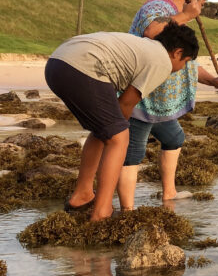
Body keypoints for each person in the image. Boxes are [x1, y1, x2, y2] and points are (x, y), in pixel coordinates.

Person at [45, 23, 199, 221]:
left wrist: (113, 128)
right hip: (84, 67)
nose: (183, 67)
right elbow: (126, 104)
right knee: (118, 137)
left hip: (57, 63)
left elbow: (119, 109)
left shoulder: (145, 46)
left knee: (103, 132)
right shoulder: (162, 61)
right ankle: (101, 212)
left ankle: (82, 195)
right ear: (177, 53)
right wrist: (119, 135)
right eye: (185, 61)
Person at [117, 0, 218, 211]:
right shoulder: (159, 6)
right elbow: (152, 30)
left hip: (161, 103)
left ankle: (169, 193)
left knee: (174, 138)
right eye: (202, 3)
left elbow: (186, 61)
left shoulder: (177, 19)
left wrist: (213, 81)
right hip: (142, 97)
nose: (201, 9)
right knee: (133, 152)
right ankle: (127, 210)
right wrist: (187, 14)